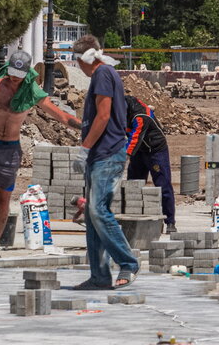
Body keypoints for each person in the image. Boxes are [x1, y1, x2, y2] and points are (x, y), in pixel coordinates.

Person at [0, 50, 80, 258]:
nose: (15, 77)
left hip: (10, 150)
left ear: (27, 73)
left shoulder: (31, 92)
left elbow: (60, 115)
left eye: (19, 74)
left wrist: (87, 128)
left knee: (4, 200)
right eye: (12, 72)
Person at [71, 34, 139, 290]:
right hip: (103, 154)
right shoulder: (106, 74)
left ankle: (128, 262)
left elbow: (103, 116)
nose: (78, 66)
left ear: (84, 59)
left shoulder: (102, 75)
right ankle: (99, 276)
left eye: (77, 61)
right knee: (92, 215)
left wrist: (84, 149)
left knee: (98, 211)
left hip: (107, 154)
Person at [125, 93, 176, 233]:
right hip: (140, 151)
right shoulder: (118, 110)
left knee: (163, 185)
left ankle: (170, 222)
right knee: (133, 185)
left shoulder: (141, 116)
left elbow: (135, 138)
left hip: (155, 150)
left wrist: (123, 156)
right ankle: (133, 220)